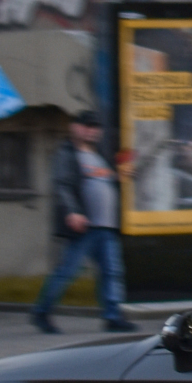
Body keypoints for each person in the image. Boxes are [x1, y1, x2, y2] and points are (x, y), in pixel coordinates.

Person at [34, 111, 134, 335]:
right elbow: (62, 185)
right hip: (84, 227)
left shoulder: (100, 155)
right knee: (67, 272)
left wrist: (122, 176)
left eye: (95, 127)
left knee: (112, 272)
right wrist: (72, 212)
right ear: (75, 127)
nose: (92, 130)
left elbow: (107, 181)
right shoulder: (67, 154)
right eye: (87, 126)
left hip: (106, 226)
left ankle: (112, 316)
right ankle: (42, 312)